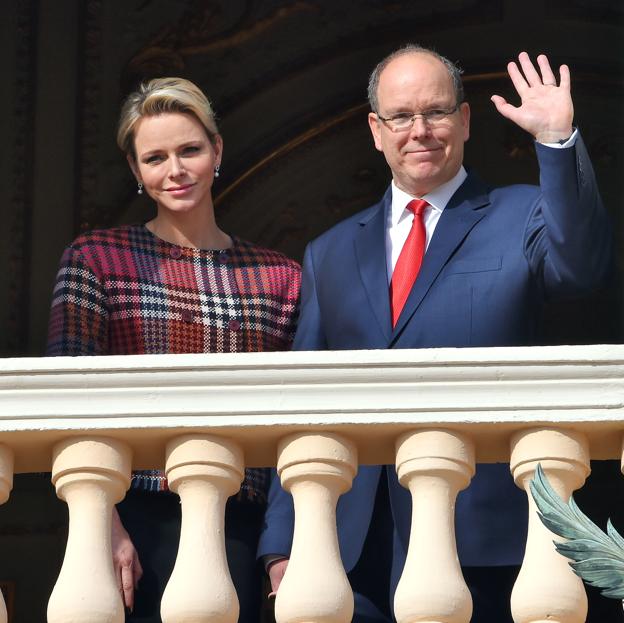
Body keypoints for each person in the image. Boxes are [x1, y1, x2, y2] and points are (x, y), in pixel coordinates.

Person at [257, 46, 614, 622]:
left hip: (487, 538)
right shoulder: (330, 252)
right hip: (355, 544)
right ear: (376, 130)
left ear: (466, 121)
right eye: (400, 116)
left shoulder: (520, 214)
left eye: (437, 112)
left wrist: (557, 140)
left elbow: (581, 268)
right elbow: (303, 401)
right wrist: (281, 541)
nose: (419, 130)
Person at [46, 77, 301, 622]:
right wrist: (103, 526)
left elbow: (292, 423)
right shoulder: (95, 258)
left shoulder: (281, 277)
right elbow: (65, 410)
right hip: (130, 515)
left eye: (189, 150)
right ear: (137, 172)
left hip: (240, 518)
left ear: (217, 151)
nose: (175, 170)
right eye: (155, 158)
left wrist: (282, 543)